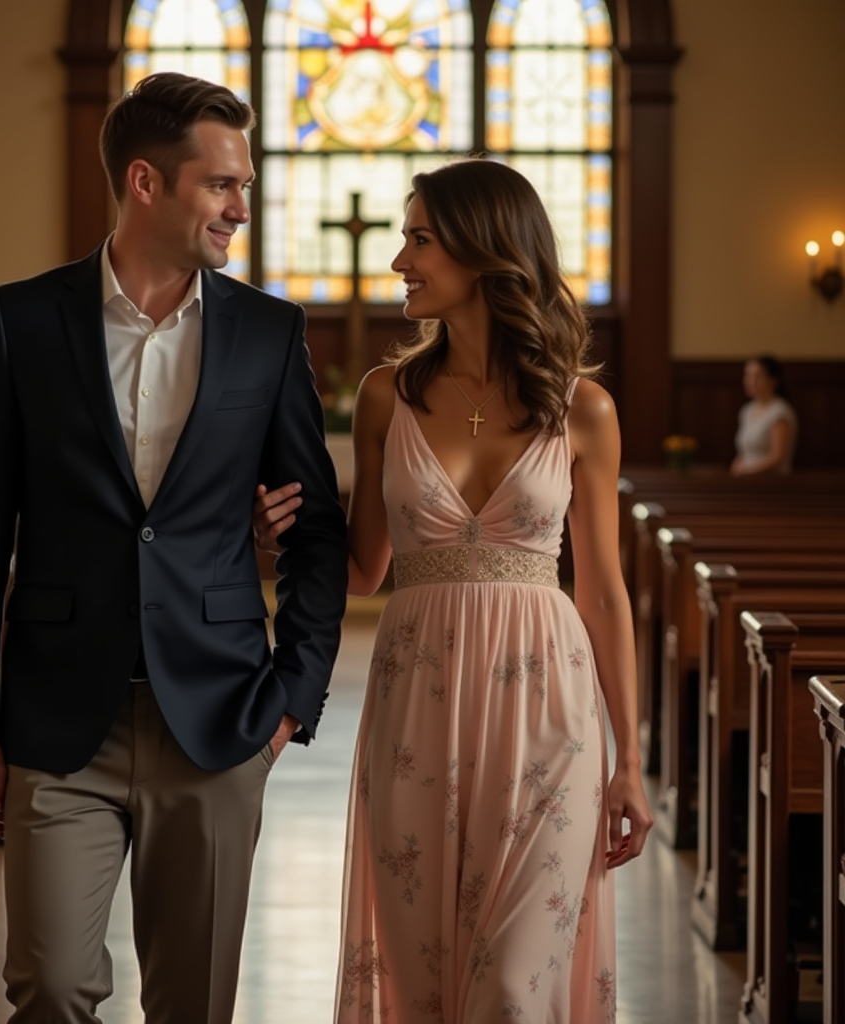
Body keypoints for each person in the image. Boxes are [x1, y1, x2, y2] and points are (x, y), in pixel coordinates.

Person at [0, 72, 348, 1024]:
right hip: (56, 719)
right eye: (222, 185)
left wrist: (294, 697)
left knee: (193, 1000)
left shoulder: (267, 331)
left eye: (245, 186)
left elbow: (317, 531)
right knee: (48, 984)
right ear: (146, 183)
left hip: (218, 717)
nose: (241, 208)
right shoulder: (21, 321)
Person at [255, 159, 652, 1022]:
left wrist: (633, 760)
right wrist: (271, 534)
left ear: (486, 252)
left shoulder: (582, 410)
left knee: (512, 990)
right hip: (417, 703)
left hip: (547, 706)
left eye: (420, 239)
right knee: (426, 980)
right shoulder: (383, 399)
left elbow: (607, 595)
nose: (401, 260)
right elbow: (362, 571)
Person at [730, 354, 797, 475]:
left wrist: (747, 471)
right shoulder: (747, 410)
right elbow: (744, 451)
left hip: (771, 481)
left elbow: (778, 457)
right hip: (747, 478)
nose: (751, 382)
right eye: (748, 376)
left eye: (757, 376)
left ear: (773, 380)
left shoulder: (780, 412)